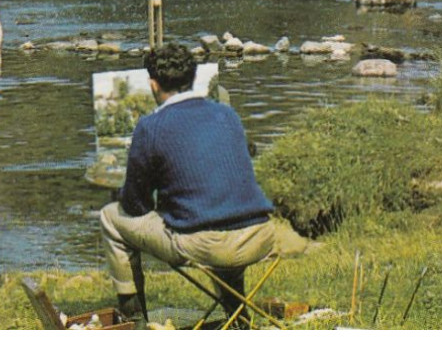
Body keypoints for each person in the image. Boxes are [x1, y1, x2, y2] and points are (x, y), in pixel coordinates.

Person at [99, 43, 311, 323]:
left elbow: (136, 206)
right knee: (219, 215)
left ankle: (132, 321)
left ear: (152, 85)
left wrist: (132, 191)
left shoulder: (150, 127)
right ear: (193, 79)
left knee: (111, 217)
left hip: (205, 245)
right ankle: (237, 318)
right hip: (259, 236)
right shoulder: (227, 115)